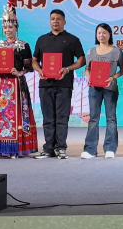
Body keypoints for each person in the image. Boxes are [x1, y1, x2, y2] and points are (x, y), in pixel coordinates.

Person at [0, 3, 39, 158]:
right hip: (1, 84)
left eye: (10, 27)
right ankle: (1, 148)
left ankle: (17, 148)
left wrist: (20, 72)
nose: (7, 30)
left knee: (19, 114)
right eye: (5, 27)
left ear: (16, 28)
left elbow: (29, 66)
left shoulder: (24, 45)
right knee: (0, 115)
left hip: (16, 84)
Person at [32, 9, 85, 159]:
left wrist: (67, 69)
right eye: (53, 18)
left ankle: (61, 147)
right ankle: (48, 148)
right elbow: (34, 60)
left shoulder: (72, 39)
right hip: (45, 84)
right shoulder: (42, 39)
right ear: (50, 21)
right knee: (48, 118)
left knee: (62, 117)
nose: (55, 21)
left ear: (64, 21)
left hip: (64, 84)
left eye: (58, 19)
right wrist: (39, 70)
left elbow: (82, 60)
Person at [82, 23, 123, 159]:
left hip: (110, 88)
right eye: (99, 33)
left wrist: (113, 77)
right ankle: (90, 149)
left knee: (111, 118)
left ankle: (110, 148)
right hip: (94, 89)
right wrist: (89, 78)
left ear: (109, 34)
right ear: (96, 35)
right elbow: (87, 69)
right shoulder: (91, 51)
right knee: (93, 118)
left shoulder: (117, 51)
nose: (101, 35)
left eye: (104, 33)